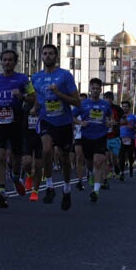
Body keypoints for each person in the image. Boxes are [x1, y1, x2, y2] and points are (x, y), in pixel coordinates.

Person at [30, 43, 81, 211]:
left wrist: (59, 94)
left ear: (56, 56)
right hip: (47, 120)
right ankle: (49, 186)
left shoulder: (65, 76)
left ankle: (66, 188)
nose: (48, 56)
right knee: (46, 150)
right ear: (41, 57)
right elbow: (39, 97)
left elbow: (76, 101)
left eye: (51, 53)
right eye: (45, 53)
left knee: (65, 159)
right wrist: (35, 108)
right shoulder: (36, 77)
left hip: (64, 122)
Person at [0, 49, 36, 207]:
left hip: (16, 120)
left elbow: (33, 97)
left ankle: (15, 177)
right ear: (1, 61)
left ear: (15, 62)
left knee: (16, 158)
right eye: (5, 59)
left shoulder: (22, 79)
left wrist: (21, 97)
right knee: (0, 156)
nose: (7, 62)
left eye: (10, 60)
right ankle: (1, 190)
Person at [73, 78, 112, 203]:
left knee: (98, 162)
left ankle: (95, 191)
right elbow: (71, 116)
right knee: (89, 163)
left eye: (97, 88)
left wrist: (109, 122)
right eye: (93, 88)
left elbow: (110, 118)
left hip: (100, 136)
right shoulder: (82, 104)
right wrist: (80, 122)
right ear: (90, 89)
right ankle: (89, 173)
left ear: (101, 90)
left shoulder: (105, 104)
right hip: (86, 137)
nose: (95, 91)